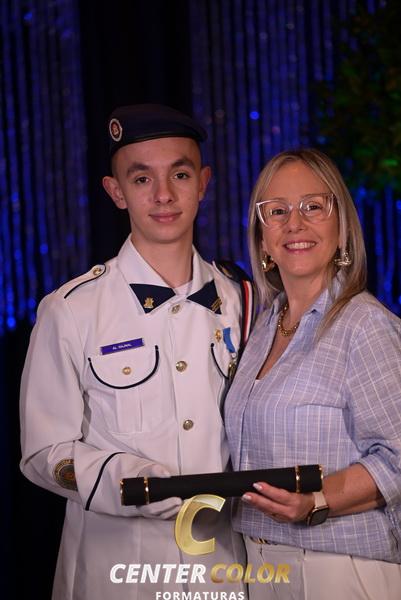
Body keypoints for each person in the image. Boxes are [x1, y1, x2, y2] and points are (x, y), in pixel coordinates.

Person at [20, 104, 251, 600]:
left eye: (180, 174)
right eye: (142, 179)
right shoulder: (72, 310)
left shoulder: (244, 303)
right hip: (115, 572)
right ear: (116, 191)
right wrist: (133, 484)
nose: (163, 194)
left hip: (221, 569)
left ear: (203, 183)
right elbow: (43, 452)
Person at [224, 148, 401, 600]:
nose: (295, 224)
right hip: (259, 566)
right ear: (262, 239)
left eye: (313, 207)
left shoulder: (365, 325)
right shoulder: (262, 327)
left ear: (341, 227)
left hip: (339, 570)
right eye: (277, 211)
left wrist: (316, 501)